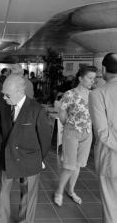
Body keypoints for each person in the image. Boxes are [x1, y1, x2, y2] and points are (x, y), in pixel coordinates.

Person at [0, 74, 52, 223]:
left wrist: (39, 159)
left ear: (20, 91)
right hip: (7, 155)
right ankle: (2, 220)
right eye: (3, 94)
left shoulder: (36, 109)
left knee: (28, 194)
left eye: (7, 95)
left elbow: (45, 139)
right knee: (3, 191)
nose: (4, 98)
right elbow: (4, 130)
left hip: (29, 158)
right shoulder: (3, 105)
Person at [54, 65, 97, 207]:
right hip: (72, 132)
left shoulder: (94, 94)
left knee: (78, 165)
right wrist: (69, 126)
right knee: (69, 166)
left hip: (87, 133)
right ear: (80, 78)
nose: (92, 81)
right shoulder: (70, 94)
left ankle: (71, 190)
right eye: (90, 78)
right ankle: (59, 191)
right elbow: (62, 113)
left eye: (94, 78)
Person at [89, 53, 117, 223]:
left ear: (104, 69)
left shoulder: (98, 93)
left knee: (111, 205)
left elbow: (102, 133)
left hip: (111, 159)